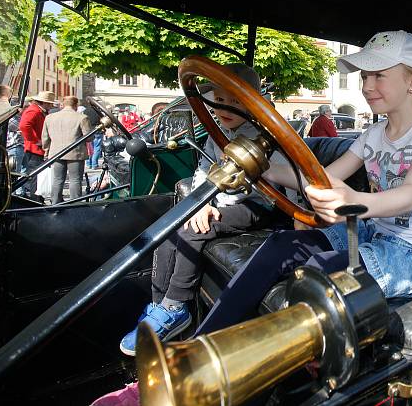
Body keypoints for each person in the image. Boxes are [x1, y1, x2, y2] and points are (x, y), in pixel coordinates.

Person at [192, 29, 412, 335]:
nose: (367, 86)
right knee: (280, 246)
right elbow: (322, 178)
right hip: (371, 233)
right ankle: (198, 345)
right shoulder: (372, 135)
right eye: (363, 77)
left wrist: (356, 202)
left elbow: (410, 194)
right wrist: (261, 169)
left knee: (316, 275)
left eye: (378, 76)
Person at [118, 64, 288, 356]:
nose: (225, 108)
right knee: (169, 225)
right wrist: (202, 201)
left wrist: (212, 207)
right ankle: (160, 306)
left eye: (235, 102)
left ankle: (177, 304)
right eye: (219, 101)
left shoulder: (264, 135)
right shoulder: (218, 131)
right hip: (217, 198)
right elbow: (203, 170)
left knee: (195, 230)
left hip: (257, 203)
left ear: (252, 104)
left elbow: (256, 185)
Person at [42, 96, 92, 204]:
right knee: (75, 180)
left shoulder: (50, 117)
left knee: (57, 179)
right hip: (75, 153)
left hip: (56, 152)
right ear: (76, 105)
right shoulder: (81, 117)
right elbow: (89, 137)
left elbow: (45, 137)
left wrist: (46, 149)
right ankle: (75, 204)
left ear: (62, 104)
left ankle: (54, 203)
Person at [18, 91, 56, 202]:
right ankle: (36, 200)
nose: (51, 106)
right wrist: (36, 140)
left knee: (39, 176)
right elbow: (24, 126)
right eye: (50, 104)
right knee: (36, 176)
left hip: (37, 148)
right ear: (44, 103)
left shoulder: (38, 110)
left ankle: (38, 199)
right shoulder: (33, 111)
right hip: (34, 149)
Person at [82, 102, 104, 169]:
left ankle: (89, 164)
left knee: (89, 148)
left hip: (89, 131)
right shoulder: (98, 111)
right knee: (97, 148)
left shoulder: (85, 111)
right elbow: (103, 120)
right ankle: (94, 164)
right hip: (98, 130)